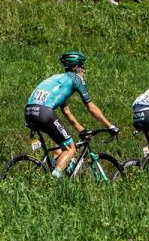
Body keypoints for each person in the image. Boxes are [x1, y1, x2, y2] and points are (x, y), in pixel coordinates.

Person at [25, 51, 118, 179]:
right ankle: (52, 181)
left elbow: (66, 112)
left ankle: (54, 169)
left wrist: (81, 130)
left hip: (30, 111)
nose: (84, 70)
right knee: (70, 148)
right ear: (75, 67)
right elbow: (91, 107)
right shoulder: (76, 79)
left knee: (59, 146)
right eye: (82, 66)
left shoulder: (59, 80)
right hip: (44, 111)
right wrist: (110, 126)